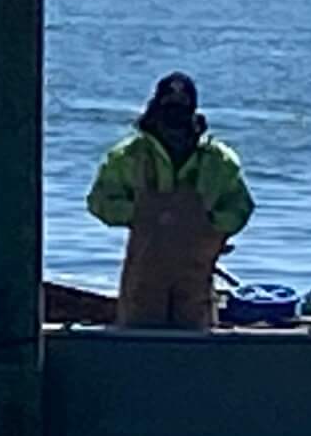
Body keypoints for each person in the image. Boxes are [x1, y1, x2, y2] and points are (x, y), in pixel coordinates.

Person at [86, 72, 254, 330]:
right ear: (156, 108)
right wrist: (138, 214)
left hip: (196, 275)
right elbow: (100, 201)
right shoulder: (130, 156)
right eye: (169, 107)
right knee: (139, 341)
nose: (175, 116)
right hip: (144, 276)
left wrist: (212, 225)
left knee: (196, 345)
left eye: (182, 107)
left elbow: (240, 207)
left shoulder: (218, 160)